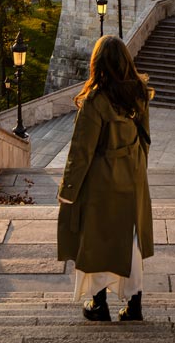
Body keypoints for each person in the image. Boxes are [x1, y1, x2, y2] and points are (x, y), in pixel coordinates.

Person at [57, 35, 154, 323]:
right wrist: (136, 169)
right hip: (132, 177)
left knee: (95, 239)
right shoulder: (139, 93)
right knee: (131, 242)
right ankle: (134, 305)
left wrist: (68, 190)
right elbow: (145, 140)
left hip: (101, 182)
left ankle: (99, 304)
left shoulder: (95, 101)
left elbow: (81, 150)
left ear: (97, 64)